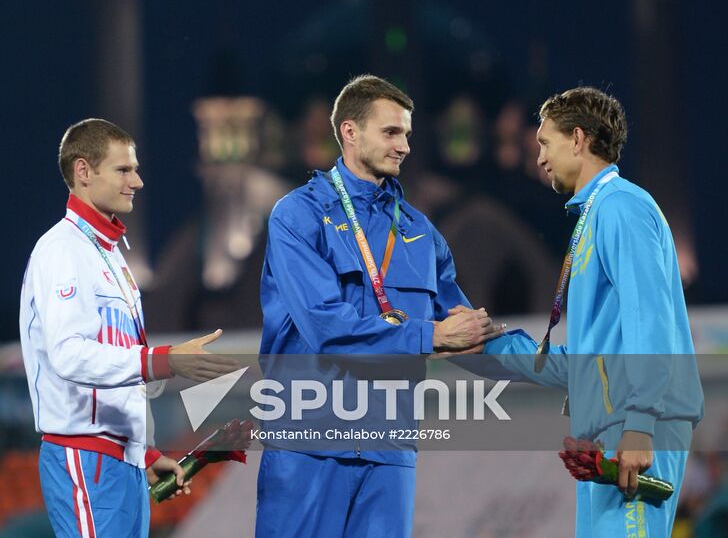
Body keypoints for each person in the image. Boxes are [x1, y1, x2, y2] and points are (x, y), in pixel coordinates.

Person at [257, 74, 501, 538]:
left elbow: (468, 332)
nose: (405, 145)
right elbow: (326, 326)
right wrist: (431, 336)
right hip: (310, 444)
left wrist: (564, 372)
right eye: (391, 132)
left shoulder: (421, 232)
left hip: (390, 448)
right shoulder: (298, 215)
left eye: (407, 133)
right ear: (350, 132)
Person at [482, 86, 703, 538]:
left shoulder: (622, 206)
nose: (539, 156)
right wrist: (476, 346)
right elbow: (582, 363)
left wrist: (640, 425)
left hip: (638, 426)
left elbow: (651, 319)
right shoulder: (595, 217)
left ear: (578, 139)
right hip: (610, 428)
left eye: (545, 142)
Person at [19, 118, 239, 538]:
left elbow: (118, 371)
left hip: (123, 460)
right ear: (83, 172)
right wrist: (166, 360)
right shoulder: (61, 251)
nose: (137, 181)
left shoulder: (112, 257)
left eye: (135, 169)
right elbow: (69, 355)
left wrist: (145, 451)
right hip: (85, 458)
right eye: (123, 170)